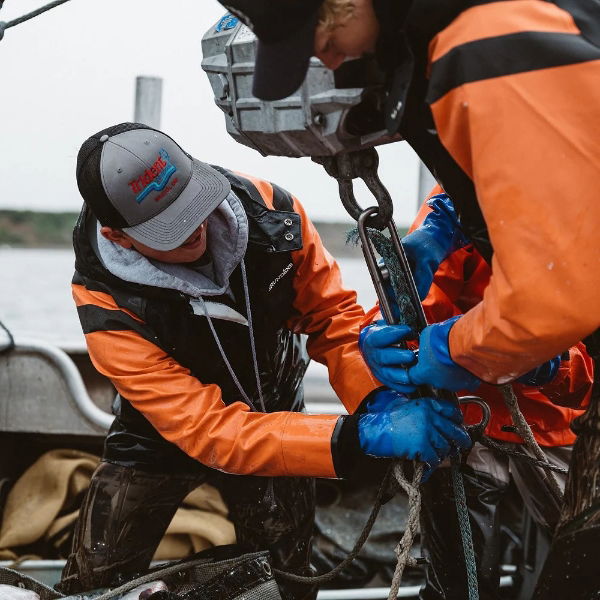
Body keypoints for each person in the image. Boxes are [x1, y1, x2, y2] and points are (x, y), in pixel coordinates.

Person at [214, 2, 600, 593]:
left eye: (317, 34)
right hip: (469, 427)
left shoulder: (487, 45)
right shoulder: (469, 56)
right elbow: (536, 148)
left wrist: (480, 353)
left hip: (554, 425)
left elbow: (556, 298)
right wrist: (378, 340)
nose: (325, 58)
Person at [57, 122, 471, 597]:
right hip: (159, 437)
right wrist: (355, 439)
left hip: (278, 414)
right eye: (168, 227)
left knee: (290, 584)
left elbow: (332, 319)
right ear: (119, 236)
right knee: (91, 586)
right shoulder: (106, 302)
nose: (194, 227)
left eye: (193, 203)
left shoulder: (275, 213)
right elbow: (211, 430)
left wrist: (375, 399)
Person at [362, 189, 594, 599]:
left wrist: (552, 365)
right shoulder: (457, 193)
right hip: (466, 419)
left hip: (562, 423)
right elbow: (418, 312)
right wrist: (384, 334)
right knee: (458, 584)